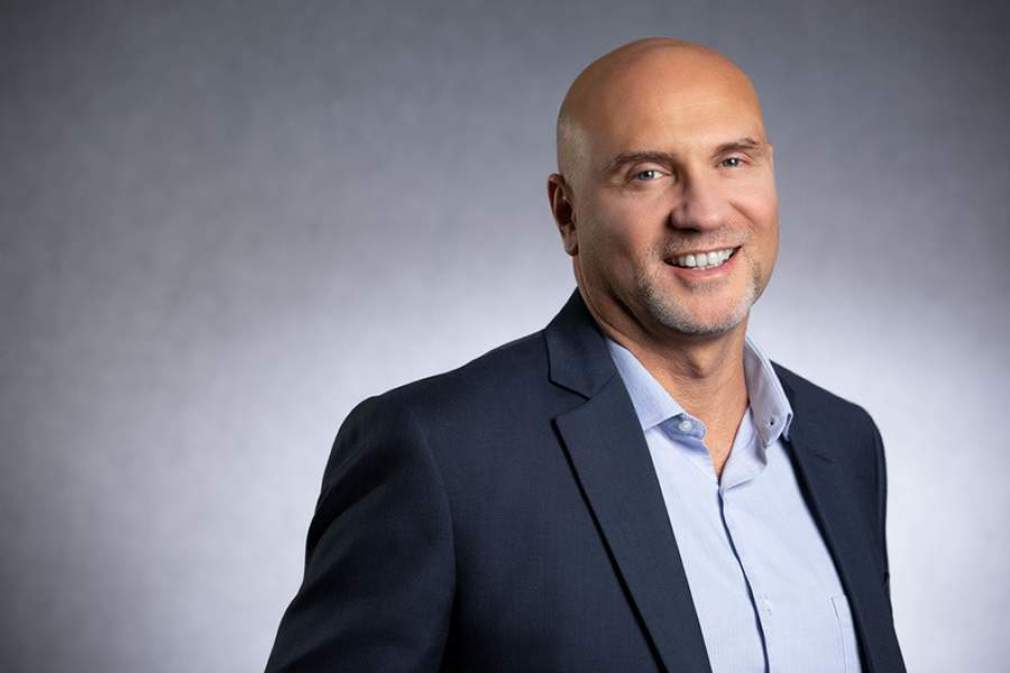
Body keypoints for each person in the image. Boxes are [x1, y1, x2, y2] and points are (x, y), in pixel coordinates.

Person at [264, 38, 906, 673]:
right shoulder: (437, 452)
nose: (704, 212)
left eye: (733, 161)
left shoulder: (844, 444)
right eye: (647, 174)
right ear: (567, 213)